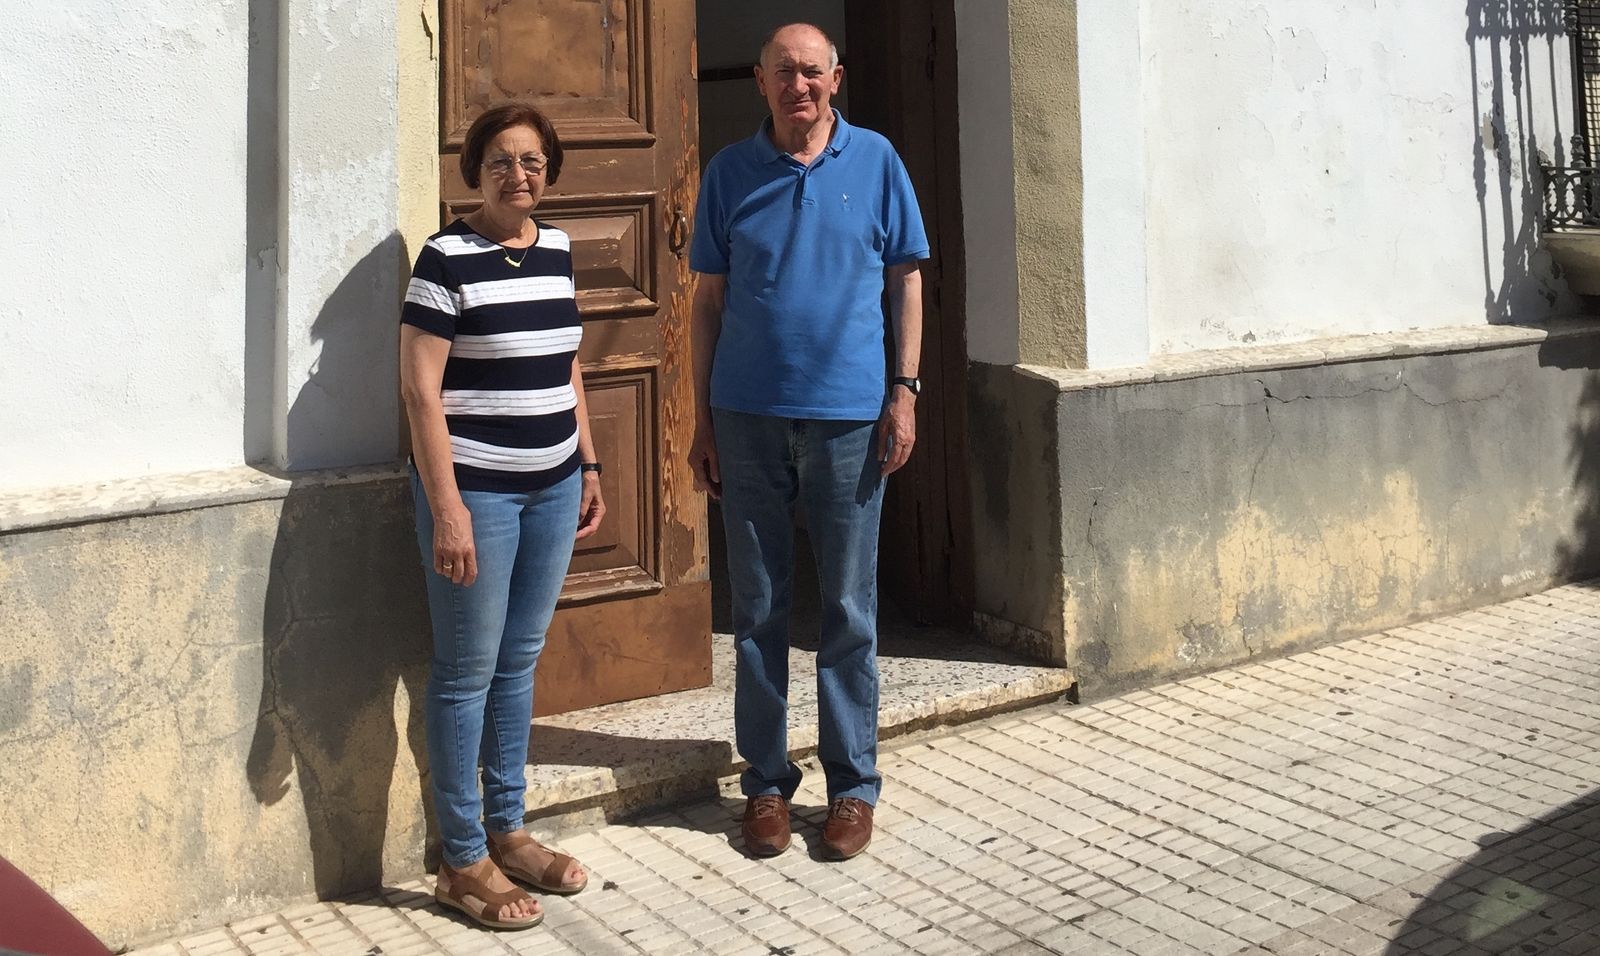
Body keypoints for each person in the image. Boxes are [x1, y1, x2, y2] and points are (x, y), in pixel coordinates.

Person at [687, 22, 930, 861]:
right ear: (760, 81)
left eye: (812, 72)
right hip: (747, 418)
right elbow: (708, 302)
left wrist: (904, 391)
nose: (799, 85)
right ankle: (764, 783)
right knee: (757, 608)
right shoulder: (729, 173)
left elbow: (906, 279)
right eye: (784, 72)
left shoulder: (878, 162)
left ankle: (852, 787)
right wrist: (702, 419)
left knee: (849, 609)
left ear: (837, 78)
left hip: (850, 420)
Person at [400, 102, 604, 930]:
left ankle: (508, 831)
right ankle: (460, 860)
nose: (517, 174)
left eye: (531, 161)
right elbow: (420, 391)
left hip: (553, 486)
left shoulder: (556, 248)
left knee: (518, 664)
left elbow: (568, 367)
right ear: (475, 173)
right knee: (465, 674)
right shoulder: (445, 258)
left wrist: (588, 462)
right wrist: (446, 508)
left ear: (547, 172)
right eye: (500, 161)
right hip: (477, 496)